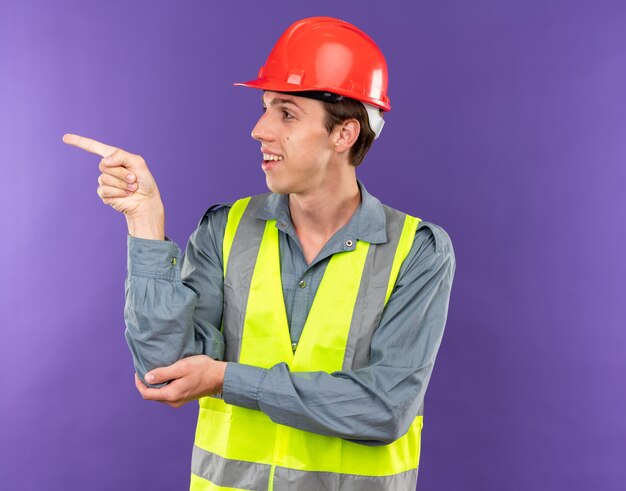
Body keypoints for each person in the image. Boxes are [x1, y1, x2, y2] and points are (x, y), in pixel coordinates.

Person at [64, 16, 455, 491]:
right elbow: (164, 372)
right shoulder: (225, 230)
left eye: (286, 113)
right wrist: (145, 223)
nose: (259, 130)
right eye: (265, 108)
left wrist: (227, 378)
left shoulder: (417, 251)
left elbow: (384, 407)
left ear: (344, 134)